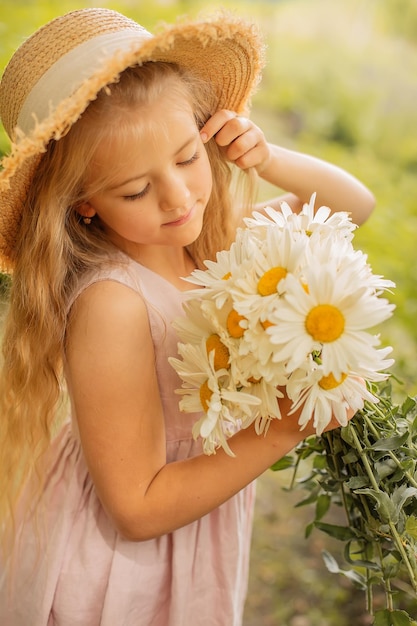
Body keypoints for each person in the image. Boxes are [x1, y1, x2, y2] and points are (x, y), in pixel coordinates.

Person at [0, 8, 375, 626]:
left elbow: (351, 206)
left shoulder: (223, 252)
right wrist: (281, 431)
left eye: (186, 158)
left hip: (192, 522)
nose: (177, 199)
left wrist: (268, 157)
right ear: (84, 204)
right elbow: (138, 509)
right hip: (119, 568)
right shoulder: (114, 304)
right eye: (135, 191)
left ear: (209, 136)